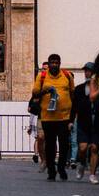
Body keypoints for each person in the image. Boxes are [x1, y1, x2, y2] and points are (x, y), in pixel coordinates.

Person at [30, 53, 74, 182]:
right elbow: (35, 92)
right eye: (52, 62)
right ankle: (51, 170)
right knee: (50, 145)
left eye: (56, 62)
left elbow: (72, 94)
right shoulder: (42, 76)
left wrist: (72, 116)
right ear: (48, 64)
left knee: (64, 144)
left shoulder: (67, 76)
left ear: (60, 63)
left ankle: (61, 168)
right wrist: (46, 91)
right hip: (48, 117)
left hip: (64, 117)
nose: (54, 64)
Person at [72, 63, 98, 181]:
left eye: (90, 71)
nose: (88, 73)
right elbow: (74, 106)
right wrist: (71, 121)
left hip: (96, 121)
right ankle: (81, 164)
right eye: (86, 71)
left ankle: (92, 174)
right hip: (83, 121)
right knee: (82, 148)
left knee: (94, 148)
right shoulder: (79, 89)